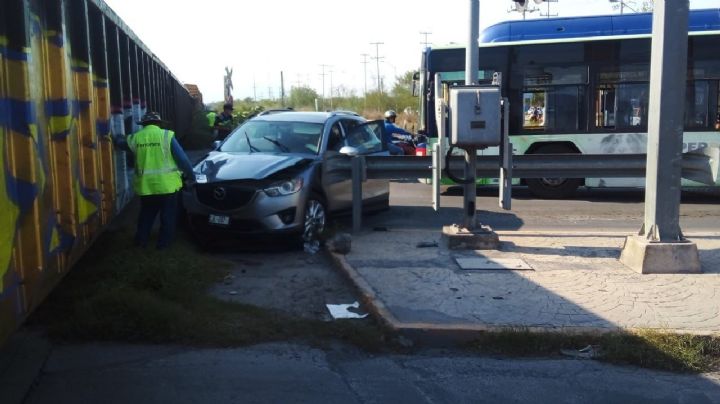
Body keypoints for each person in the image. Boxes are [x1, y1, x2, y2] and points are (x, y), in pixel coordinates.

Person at [114, 112, 195, 249]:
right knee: (168, 216)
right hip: (168, 186)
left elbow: (121, 144)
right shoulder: (166, 136)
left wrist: (115, 137)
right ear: (159, 123)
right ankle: (163, 245)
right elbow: (182, 159)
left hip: (147, 187)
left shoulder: (136, 138)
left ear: (143, 125)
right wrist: (191, 176)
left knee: (146, 215)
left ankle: (140, 243)